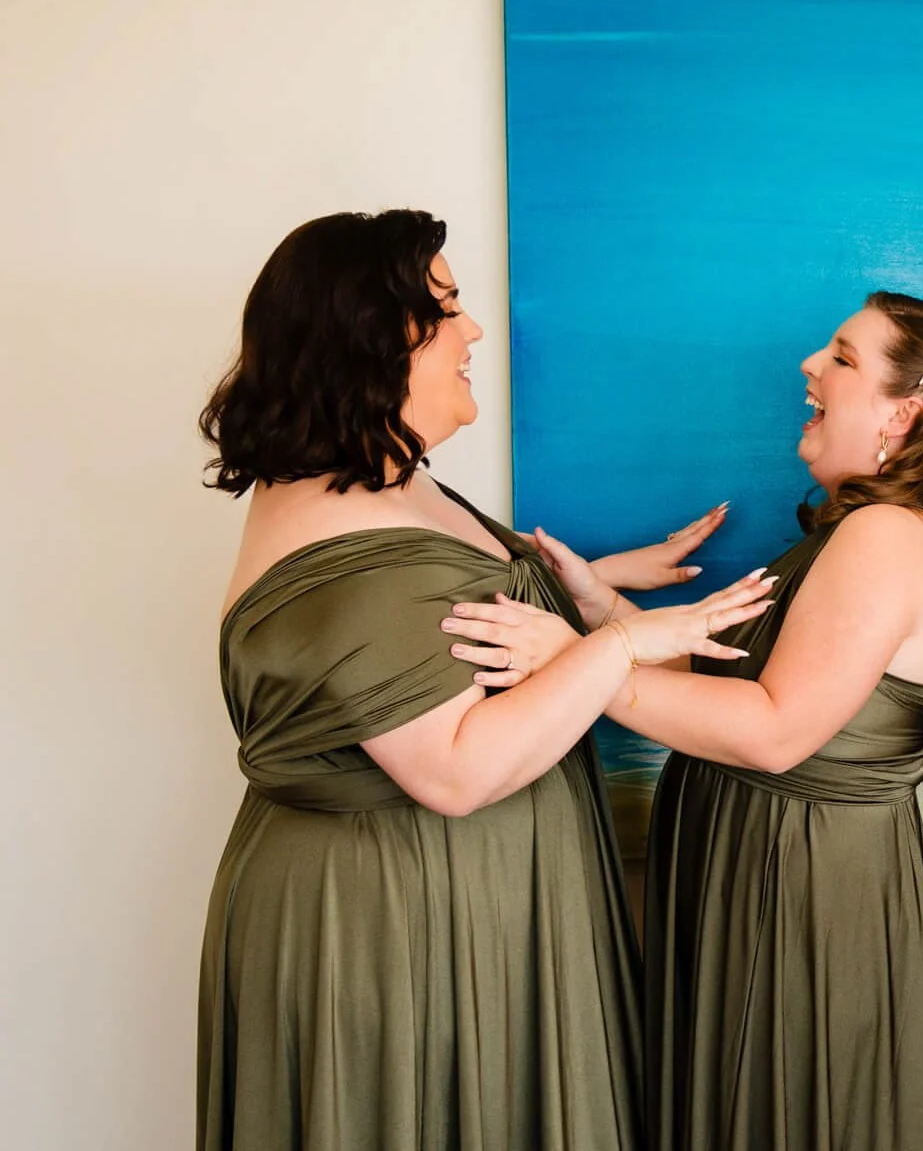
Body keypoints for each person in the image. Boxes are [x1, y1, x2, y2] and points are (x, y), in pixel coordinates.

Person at [198, 209, 770, 1150]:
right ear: (372, 339)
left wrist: (608, 574)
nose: (473, 332)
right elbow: (456, 770)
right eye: (448, 306)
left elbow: (454, 610)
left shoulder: (377, 474)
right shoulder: (341, 542)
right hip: (394, 928)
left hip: (459, 903)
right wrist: (626, 645)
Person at [448, 291, 923, 1151]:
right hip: (776, 878)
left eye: (842, 357)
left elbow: (773, 728)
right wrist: (608, 613)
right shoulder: (858, 533)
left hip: (803, 894)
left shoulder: (886, 536)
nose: (810, 367)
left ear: (905, 412)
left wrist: (571, 664)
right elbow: (733, 685)